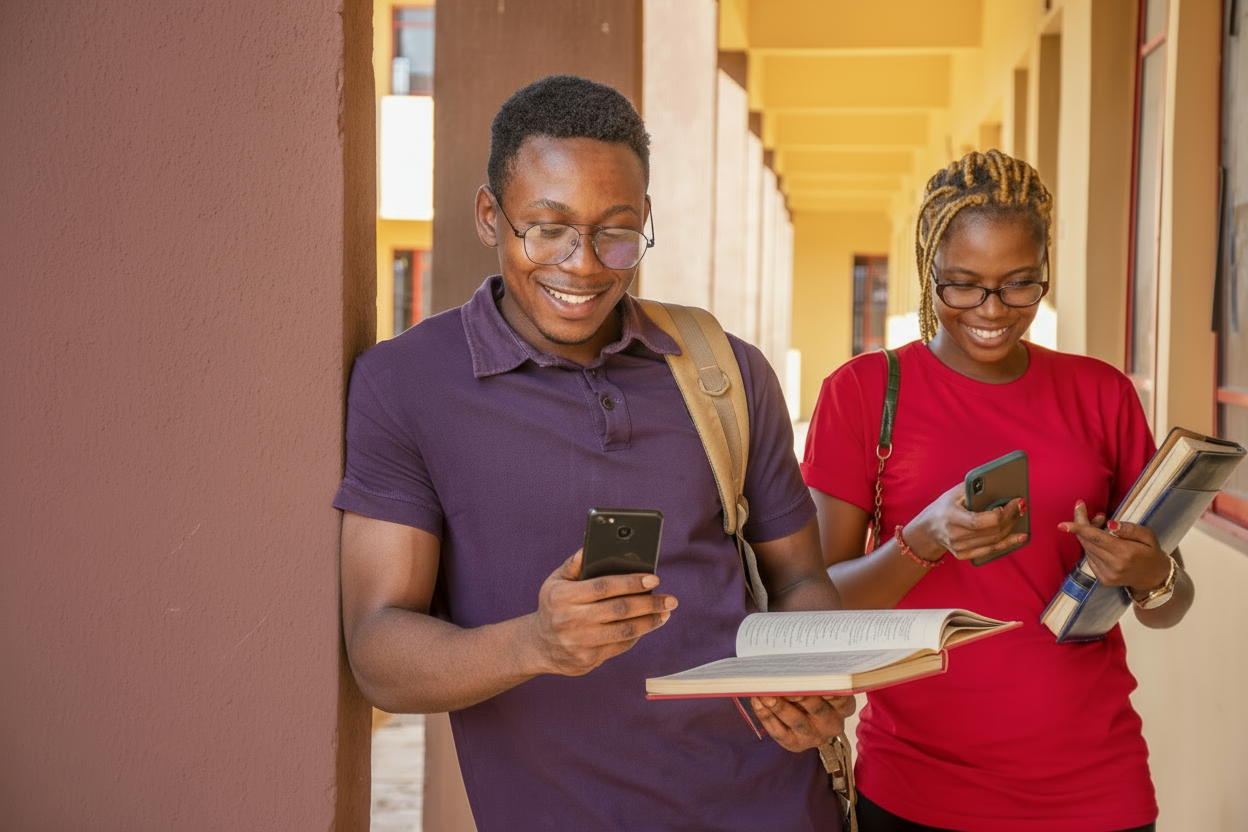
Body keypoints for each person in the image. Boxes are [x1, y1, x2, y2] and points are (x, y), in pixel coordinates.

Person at [335, 74, 855, 832]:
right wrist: (536, 643)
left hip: (777, 806)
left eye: (615, 232)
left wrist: (813, 682)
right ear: (490, 215)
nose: (582, 265)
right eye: (547, 228)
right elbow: (378, 648)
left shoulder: (723, 370)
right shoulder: (405, 383)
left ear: (644, 220)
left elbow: (800, 574)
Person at [801, 149, 1194, 832]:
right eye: (964, 285)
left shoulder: (1100, 394)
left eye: (1019, 285)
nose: (992, 310)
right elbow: (814, 609)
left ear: (1044, 274)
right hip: (918, 787)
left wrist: (1152, 573)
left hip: (1095, 787)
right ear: (930, 273)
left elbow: (1169, 604)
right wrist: (923, 540)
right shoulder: (864, 394)